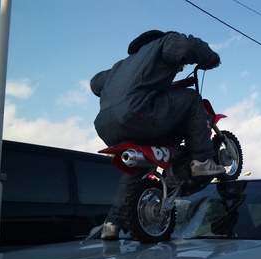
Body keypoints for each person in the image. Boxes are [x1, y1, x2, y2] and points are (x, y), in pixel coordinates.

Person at [91, 30, 225, 240]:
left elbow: (95, 83)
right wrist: (211, 58)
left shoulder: (122, 66)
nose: (181, 67)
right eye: (181, 64)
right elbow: (187, 46)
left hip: (107, 126)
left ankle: (112, 223)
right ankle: (200, 160)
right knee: (191, 99)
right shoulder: (163, 43)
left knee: (136, 171)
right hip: (137, 111)